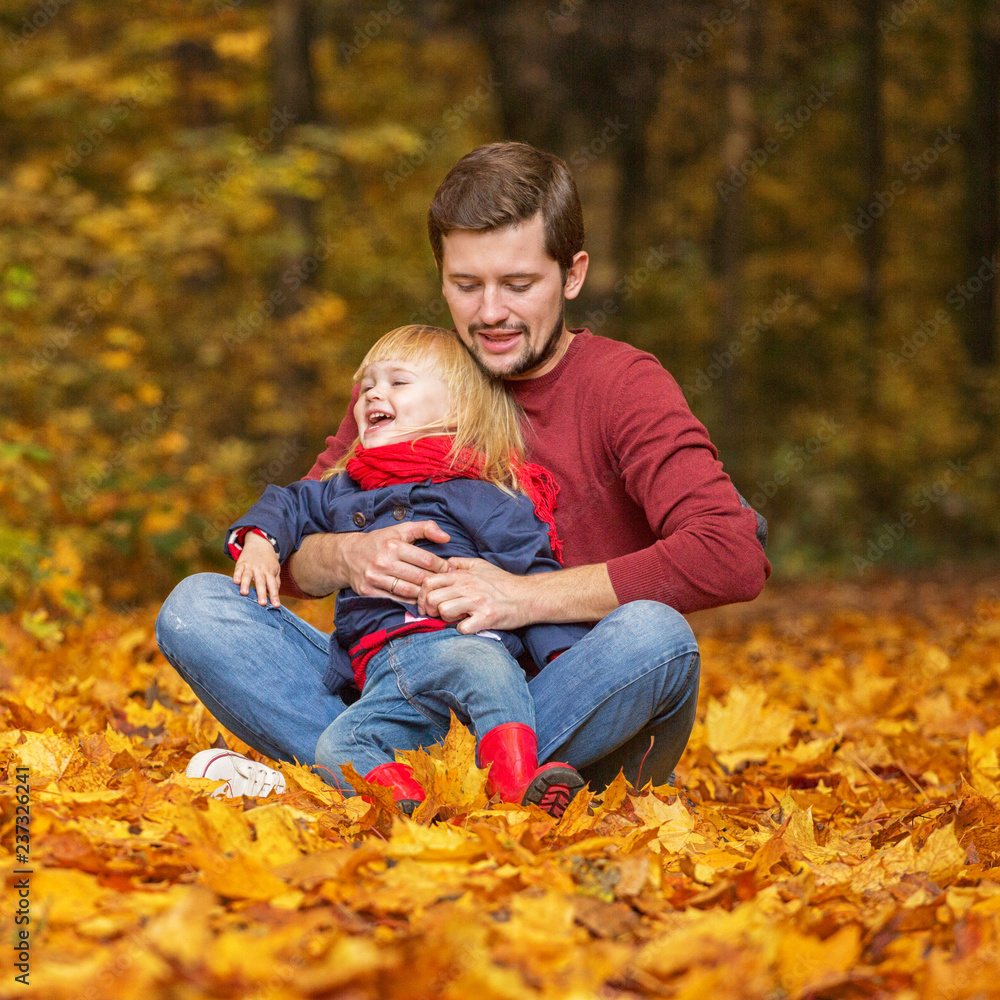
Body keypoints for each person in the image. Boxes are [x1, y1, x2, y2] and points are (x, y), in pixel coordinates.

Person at [157, 141, 769, 802]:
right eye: (467, 285)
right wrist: (348, 555)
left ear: (573, 275)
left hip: (564, 702)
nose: (490, 313)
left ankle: (377, 778)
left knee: (657, 636)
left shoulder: (623, 386)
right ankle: (399, 778)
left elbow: (730, 553)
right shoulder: (410, 387)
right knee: (198, 608)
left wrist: (522, 597)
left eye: (519, 284)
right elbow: (294, 551)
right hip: (401, 687)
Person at [223, 324, 589, 817]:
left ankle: (517, 790)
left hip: (466, 647)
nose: (374, 392)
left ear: (456, 409)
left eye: (398, 382)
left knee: (485, 669)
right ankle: (410, 806)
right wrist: (259, 542)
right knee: (337, 747)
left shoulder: (485, 494)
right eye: (368, 384)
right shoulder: (344, 487)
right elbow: (286, 504)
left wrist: (564, 658)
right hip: (382, 672)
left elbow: (534, 575)